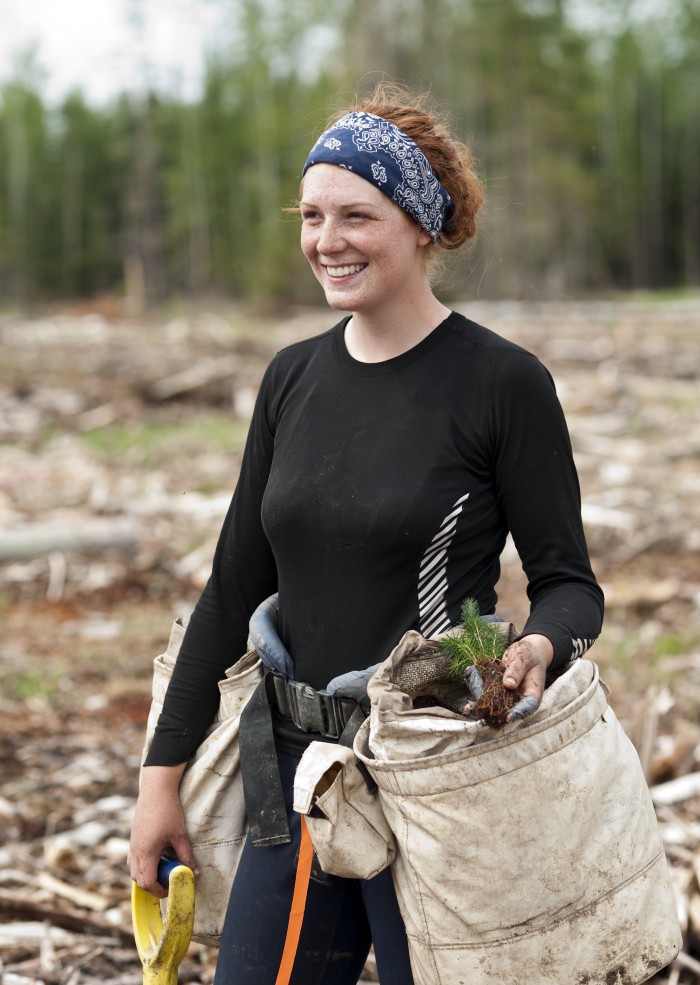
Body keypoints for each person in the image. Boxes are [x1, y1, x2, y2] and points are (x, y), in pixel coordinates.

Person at [128, 83, 604, 985]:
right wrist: (161, 777)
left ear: (421, 224)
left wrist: (541, 643)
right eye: (311, 215)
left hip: (441, 770)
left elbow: (571, 585)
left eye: (356, 214)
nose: (326, 240)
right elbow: (232, 587)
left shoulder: (503, 383)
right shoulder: (291, 378)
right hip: (302, 775)